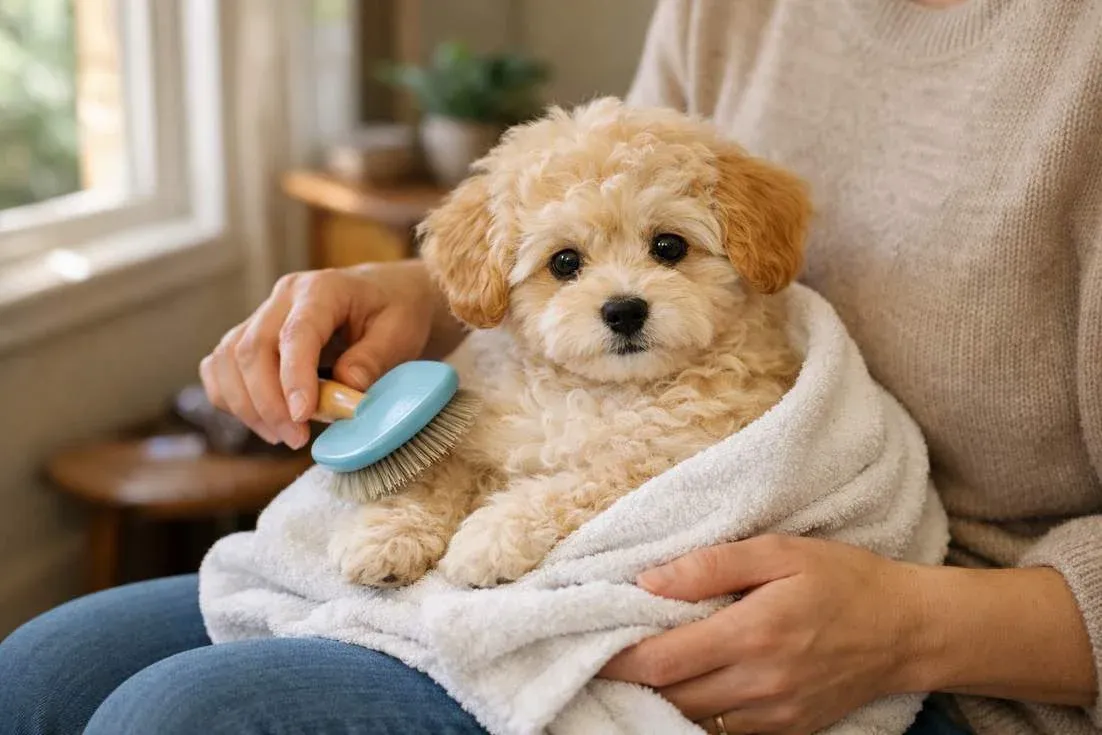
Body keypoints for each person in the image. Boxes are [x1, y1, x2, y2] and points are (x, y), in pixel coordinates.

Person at [2, 0, 1099, 732]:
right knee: (41, 670)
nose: (622, 283)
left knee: (187, 716)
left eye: (668, 250)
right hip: (521, 534)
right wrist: (423, 294)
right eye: (575, 264)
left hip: (951, 645)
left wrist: (918, 628)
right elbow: (570, 230)